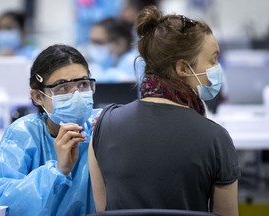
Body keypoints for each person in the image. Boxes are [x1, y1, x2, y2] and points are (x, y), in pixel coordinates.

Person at [89, 6, 240, 216]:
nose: (217, 68)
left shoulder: (104, 126)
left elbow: (102, 210)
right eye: (213, 59)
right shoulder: (216, 139)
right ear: (183, 68)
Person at [0, 44, 99, 216]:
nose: (76, 95)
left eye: (82, 85)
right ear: (38, 97)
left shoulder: (102, 126)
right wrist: (58, 171)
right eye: (62, 88)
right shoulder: (24, 134)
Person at [87, 17, 141, 83]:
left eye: (99, 42)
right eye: (92, 41)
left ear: (120, 43)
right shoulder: (106, 65)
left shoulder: (134, 63)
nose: (93, 47)